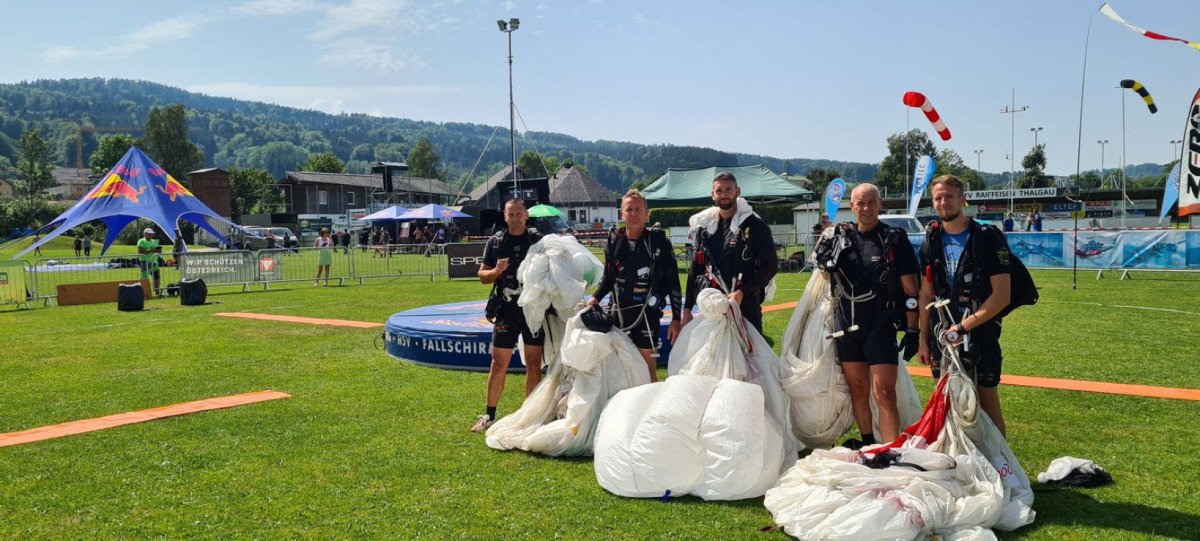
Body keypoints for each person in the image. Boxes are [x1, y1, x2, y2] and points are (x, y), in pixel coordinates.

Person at [817, 184, 919, 448]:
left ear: (880, 205)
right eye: (860, 203)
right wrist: (823, 253)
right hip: (846, 326)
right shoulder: (840, 237)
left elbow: (911, 290)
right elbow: (822, 272)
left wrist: (912, 330)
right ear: (851, 206)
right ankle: (867, 445)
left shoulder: (894, 238)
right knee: (858, 391)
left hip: (880, 326)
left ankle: (892, 451)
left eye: (871, 203)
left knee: (884, 393)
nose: (866, 208)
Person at [917, 175, 1013, 437]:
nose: (943, 202)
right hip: (942, 335)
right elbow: (926, 294)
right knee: (947, 403)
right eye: (938, 197)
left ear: (962, 200)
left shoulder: (987, 238)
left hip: (979, 331)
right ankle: (959, 464)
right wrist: (923, 340)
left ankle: (1000, 468)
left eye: (949, 196)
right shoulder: (931, 240)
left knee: (987, 403)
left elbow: (1002, 295)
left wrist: (963, 327)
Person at [588, 190, 682, 382]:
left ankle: (650, 411)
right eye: (629, 209)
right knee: (617, 371)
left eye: (638, 209)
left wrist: (676, 319)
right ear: (621, 214)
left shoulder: (658, 241)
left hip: (647, 316)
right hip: (618, 313)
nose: (633, 214)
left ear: (647, 213)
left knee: (648, 372)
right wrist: (595, 298)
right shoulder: (614, 240)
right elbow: (608, 277)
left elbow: (673, 281)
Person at [472, 198, 546, 432]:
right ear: (504, 216)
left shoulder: (537, 240)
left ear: (526, 215)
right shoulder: (496, 242)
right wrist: (496, 271)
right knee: (498, 363)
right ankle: (489, 415)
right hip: (506, 309)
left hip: (532, 309)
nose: (514, 218)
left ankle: (530, 417)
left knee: (534, 363)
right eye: (510, 214)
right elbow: (482, 275)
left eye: (518, 214)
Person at [683, 171, 778, 335]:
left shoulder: (755, 226)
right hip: (713, 310)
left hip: (746, 306)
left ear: (738, 192)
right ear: (712, 195)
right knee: (713, 359)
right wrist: (686, 309)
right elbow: (695, 270)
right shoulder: (705, 229)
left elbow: (771, 266)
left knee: (750, 359)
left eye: (728, 190)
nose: (724, 195)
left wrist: (743, 292)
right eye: (719, 191)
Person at [137, 227, 163, 296]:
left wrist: (159, 249)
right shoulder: (141, 241)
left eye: (152, 234)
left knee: (157, 277)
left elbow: (159, 251)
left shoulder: (154, 241)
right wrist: (151, 250)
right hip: (144, 262)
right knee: (144, 278)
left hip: (154, 262)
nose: (151, 235)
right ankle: (142, 292)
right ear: (145, 234)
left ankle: (157, 292)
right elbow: (140, 251)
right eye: (150, 234)